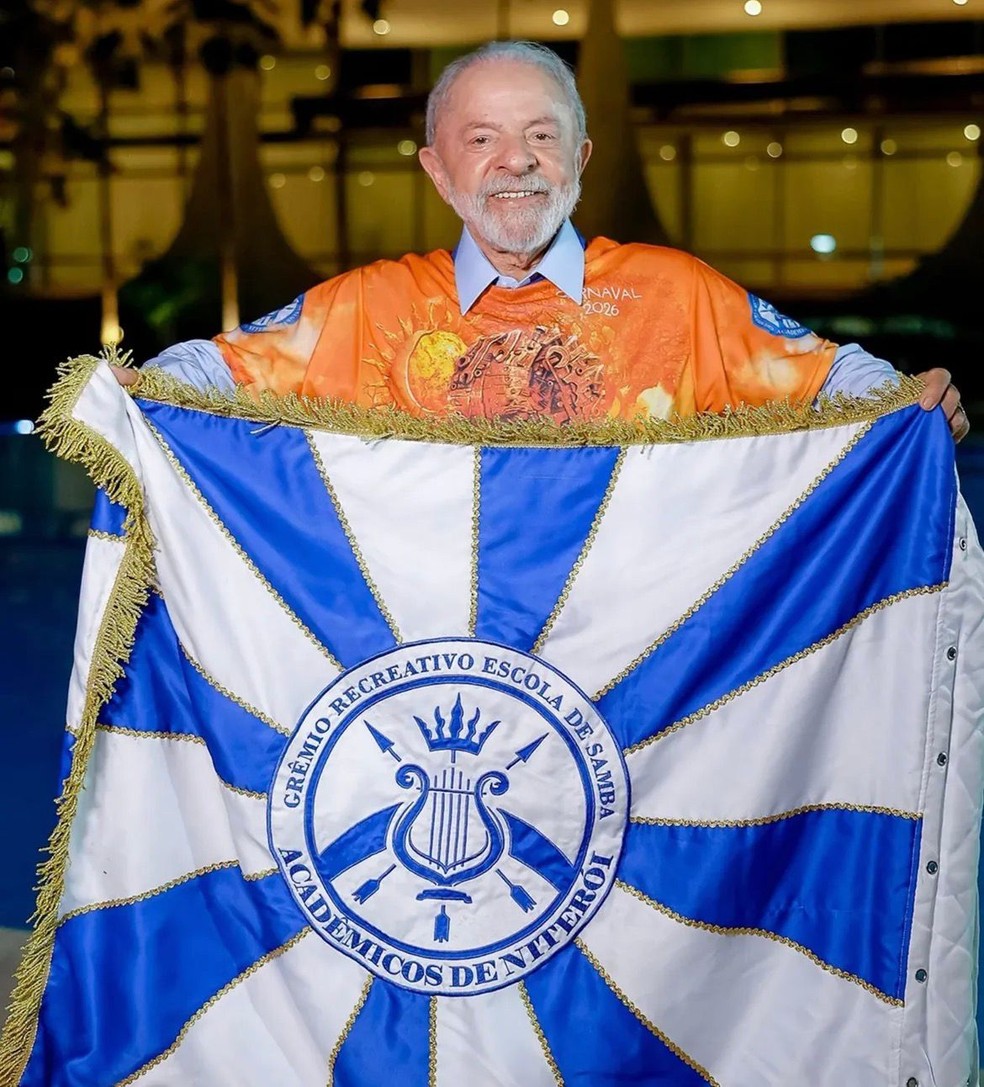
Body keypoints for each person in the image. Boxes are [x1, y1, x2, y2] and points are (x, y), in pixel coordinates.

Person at [113, 40, 968, 440]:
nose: (515, 160)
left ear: (581, 159)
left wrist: (908, 400)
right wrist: (129, 390)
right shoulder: (367, 308)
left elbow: (825, 376)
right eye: (480, 139)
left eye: (542, 135)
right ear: (438, 172)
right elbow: (215, 370)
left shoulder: (675, 294)